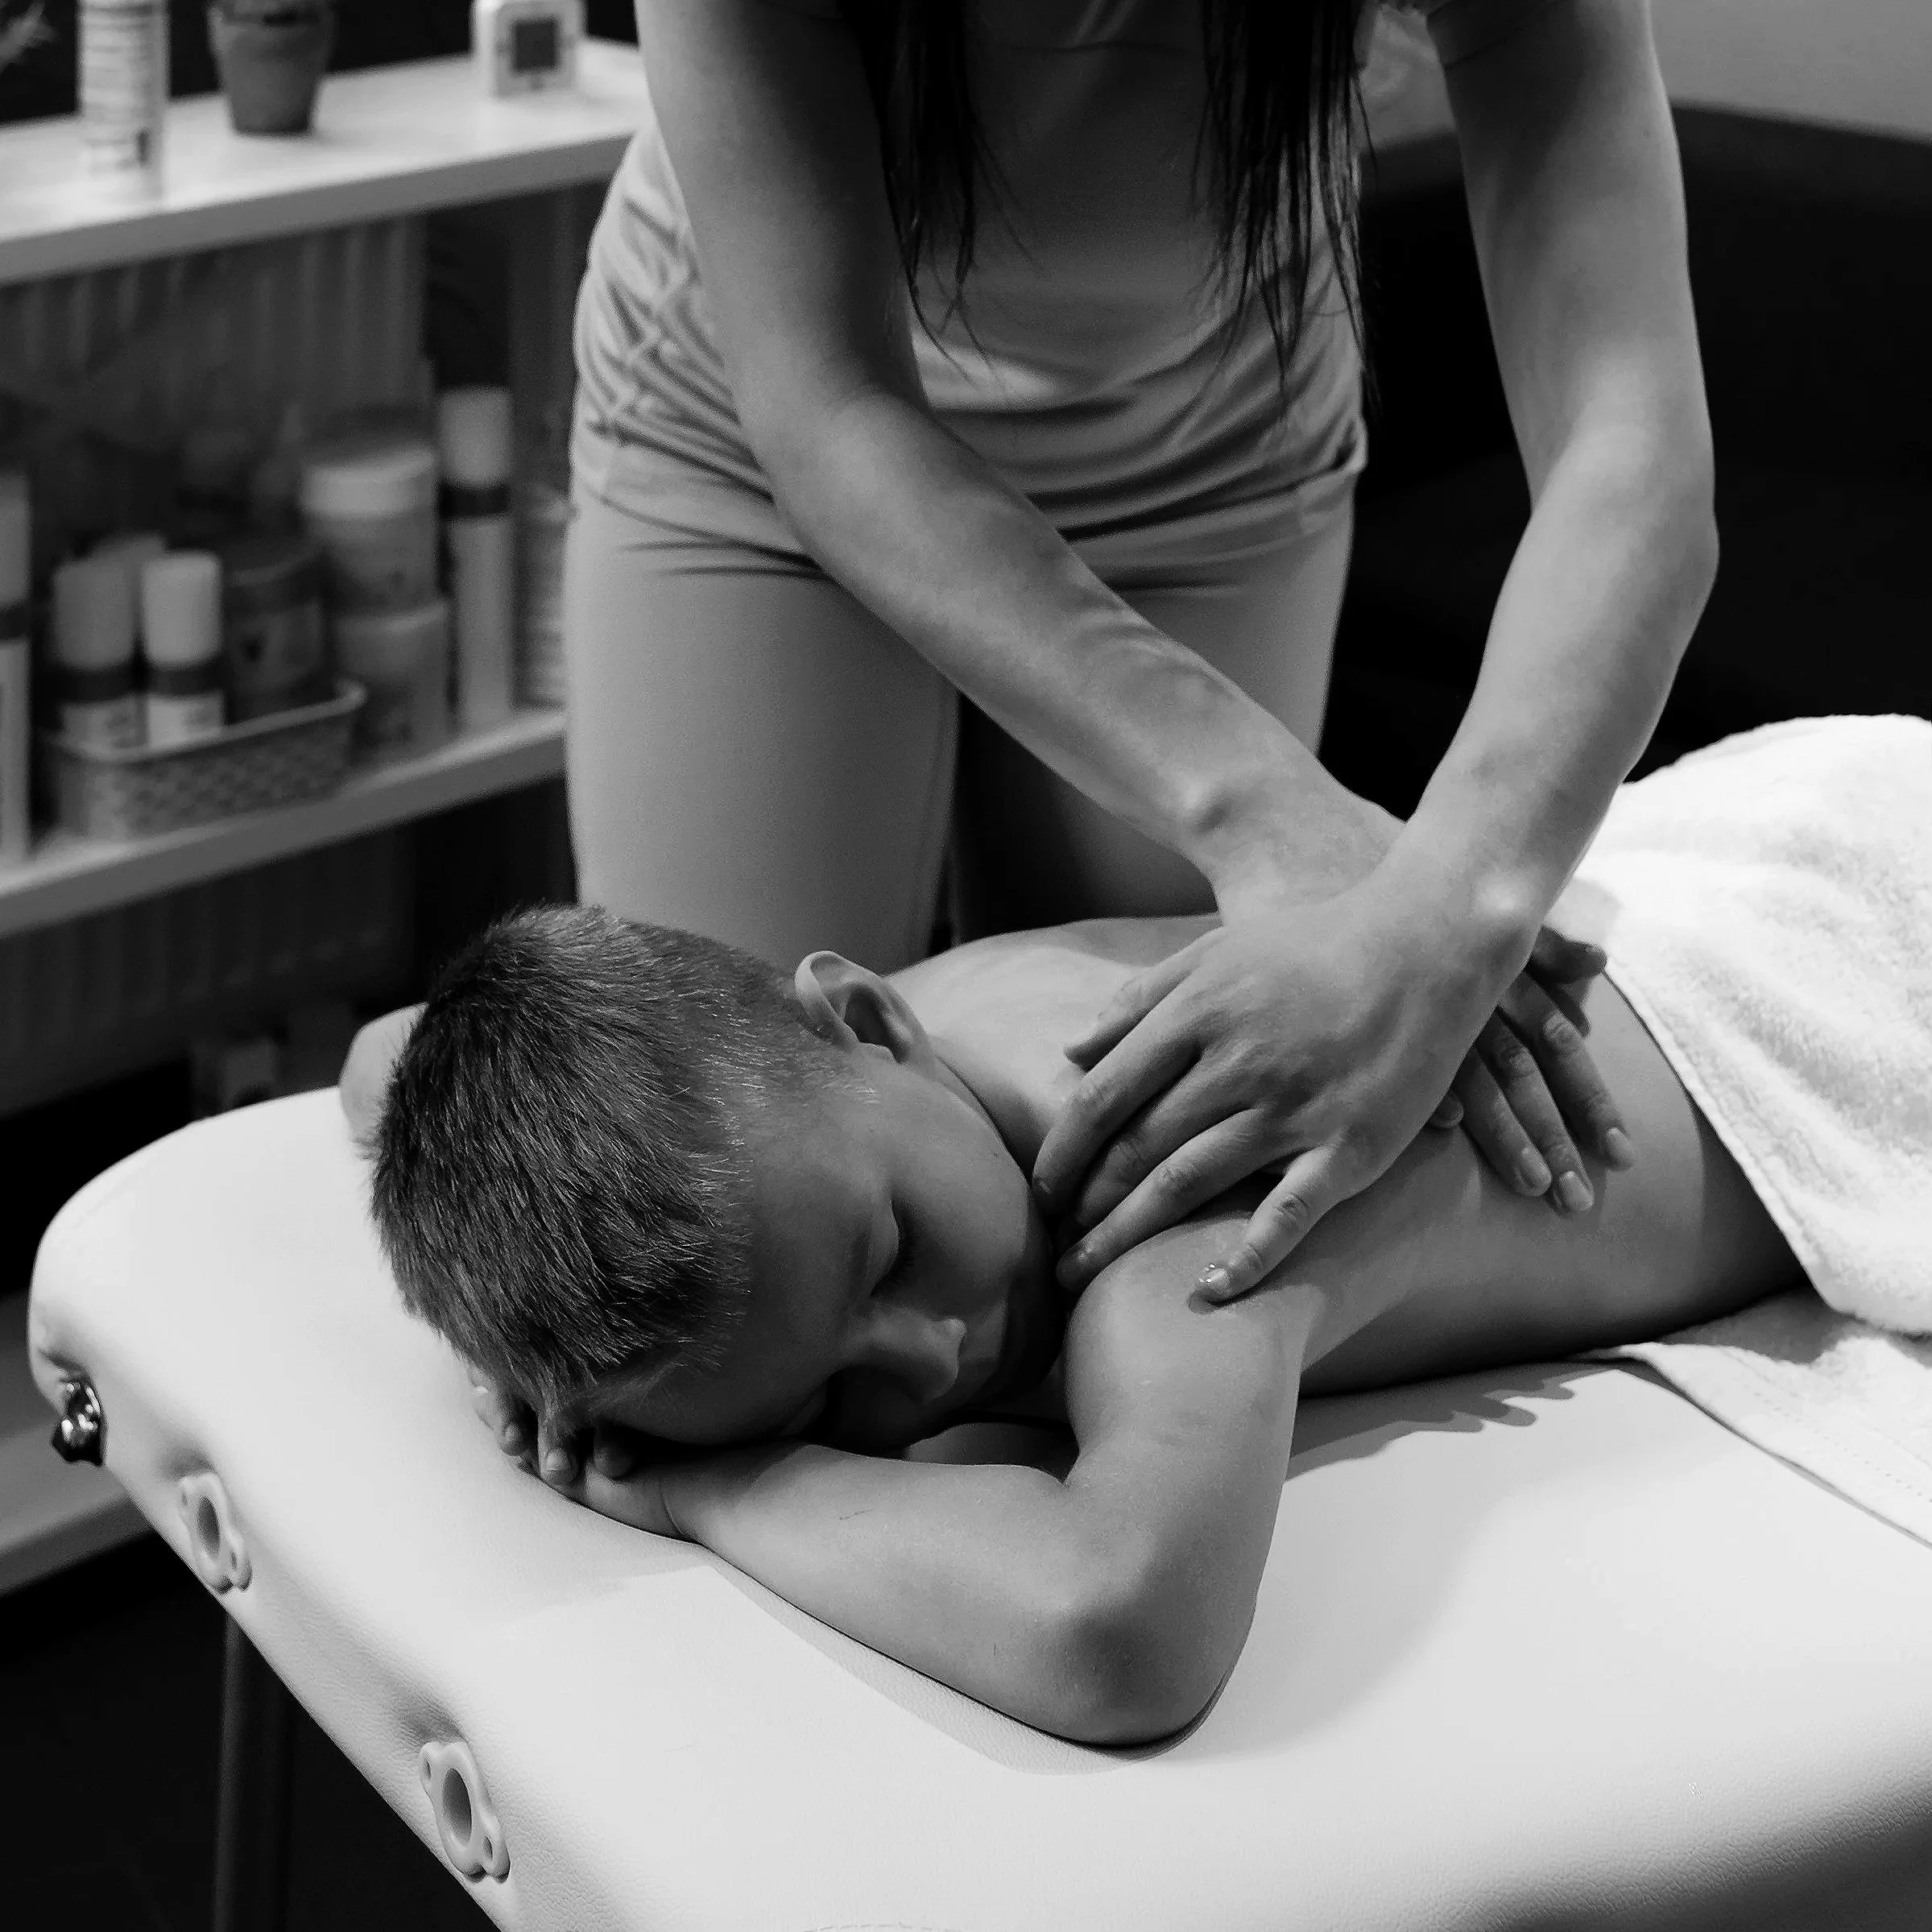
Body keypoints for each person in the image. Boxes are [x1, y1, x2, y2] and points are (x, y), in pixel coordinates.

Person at [350, 703, 1932, 1740]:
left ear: (861, 1018)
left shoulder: (1173, 1175)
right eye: (831, 1399)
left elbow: (1117, 1627)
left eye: (889, 1253)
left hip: (1853, 926)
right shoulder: (847, 1071)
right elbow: (382, 1066)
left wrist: (721, 1476)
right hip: (1736, 836)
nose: (936, 1355)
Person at [566, 0, 1715, 1295]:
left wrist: (1452, 909)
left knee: (1129, 1194)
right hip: (756, 444)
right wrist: (1278, 814)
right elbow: (829, 408)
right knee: (708, 1199)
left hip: (1213, 449)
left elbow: (1634, 451)